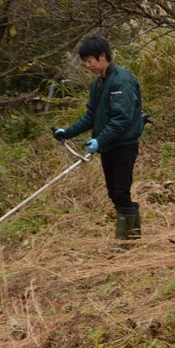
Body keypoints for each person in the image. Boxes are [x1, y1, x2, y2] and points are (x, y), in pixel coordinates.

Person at [53, 34, 144, 248]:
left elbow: (122, 118)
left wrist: (99, 140)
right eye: (85, 61)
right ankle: (134, 233)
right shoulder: (99, 85)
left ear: (103, 56)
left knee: (121, 193)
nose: (88, 65)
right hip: (108, 147)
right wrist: (67, 132)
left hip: (124, 146)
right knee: (114, 193)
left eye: (89, 60)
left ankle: (126, 243)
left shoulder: (122, 80)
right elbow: (90, 116)